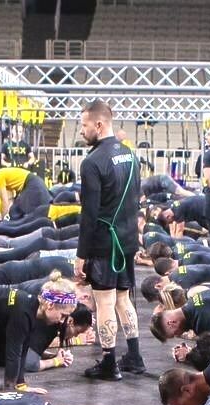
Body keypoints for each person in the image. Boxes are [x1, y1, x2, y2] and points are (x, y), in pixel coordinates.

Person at [76, 100, 145, 380]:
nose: (82, 130)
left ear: (99, 125)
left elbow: (89, 214)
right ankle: (135, 356)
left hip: (105, 243)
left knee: (104, 302)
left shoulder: (92, 162)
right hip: (127, 241)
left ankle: (109, 362)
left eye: (84, 125)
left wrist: (81, 255)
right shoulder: (131, 156)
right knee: (123, 299)